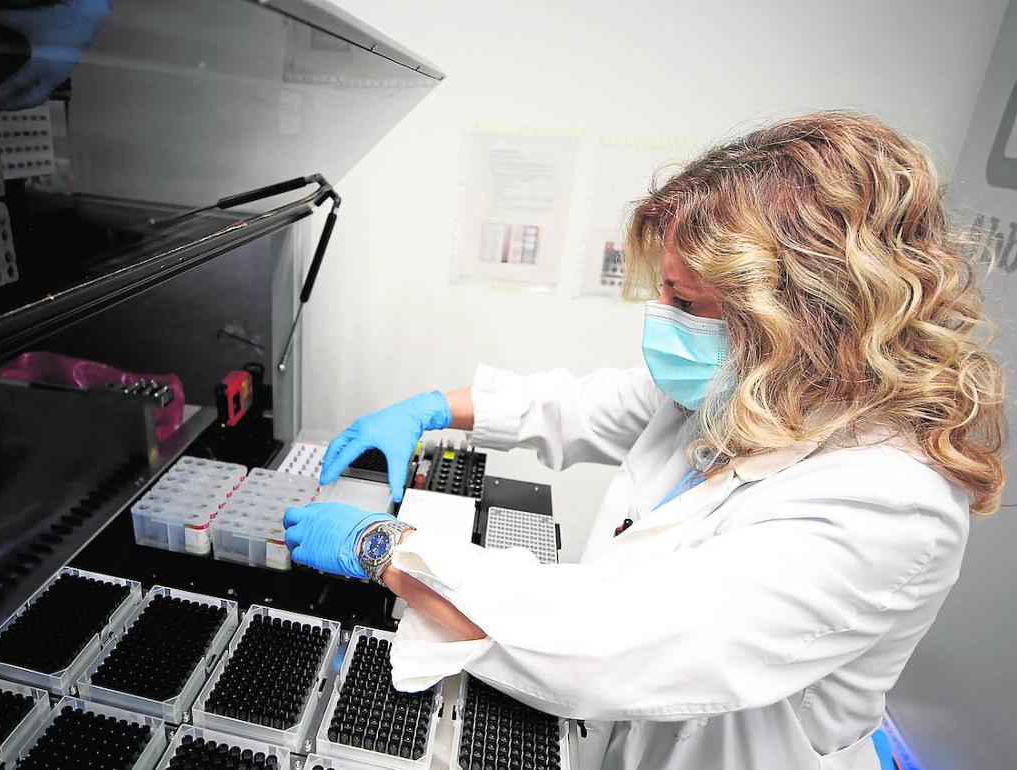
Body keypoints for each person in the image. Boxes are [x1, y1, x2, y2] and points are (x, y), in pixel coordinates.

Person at [283, 111, 1006, 770]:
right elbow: (586, 404)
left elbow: (603, 646)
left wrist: (383, 547)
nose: (660, 320)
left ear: (801, 317)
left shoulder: (888, 503)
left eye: (685, 302)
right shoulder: (754, 389)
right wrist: (438, 405)